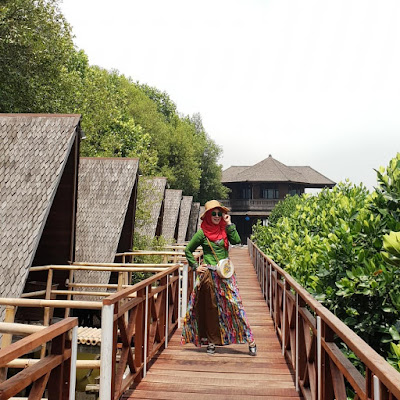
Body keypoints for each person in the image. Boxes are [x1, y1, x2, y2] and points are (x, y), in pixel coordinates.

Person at [181, 200, 257, 356]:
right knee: (211, 309)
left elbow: (236, 241)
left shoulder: (225, 229)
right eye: (213, 214)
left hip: (226, 274)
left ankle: (250, 339)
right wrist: (196, 267)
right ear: (208, 215)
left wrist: (229, 223)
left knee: (235, 304)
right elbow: (188, 250)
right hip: (209, 275)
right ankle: (211, 342)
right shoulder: (202, 233)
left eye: (219, 213)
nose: (217, 216)